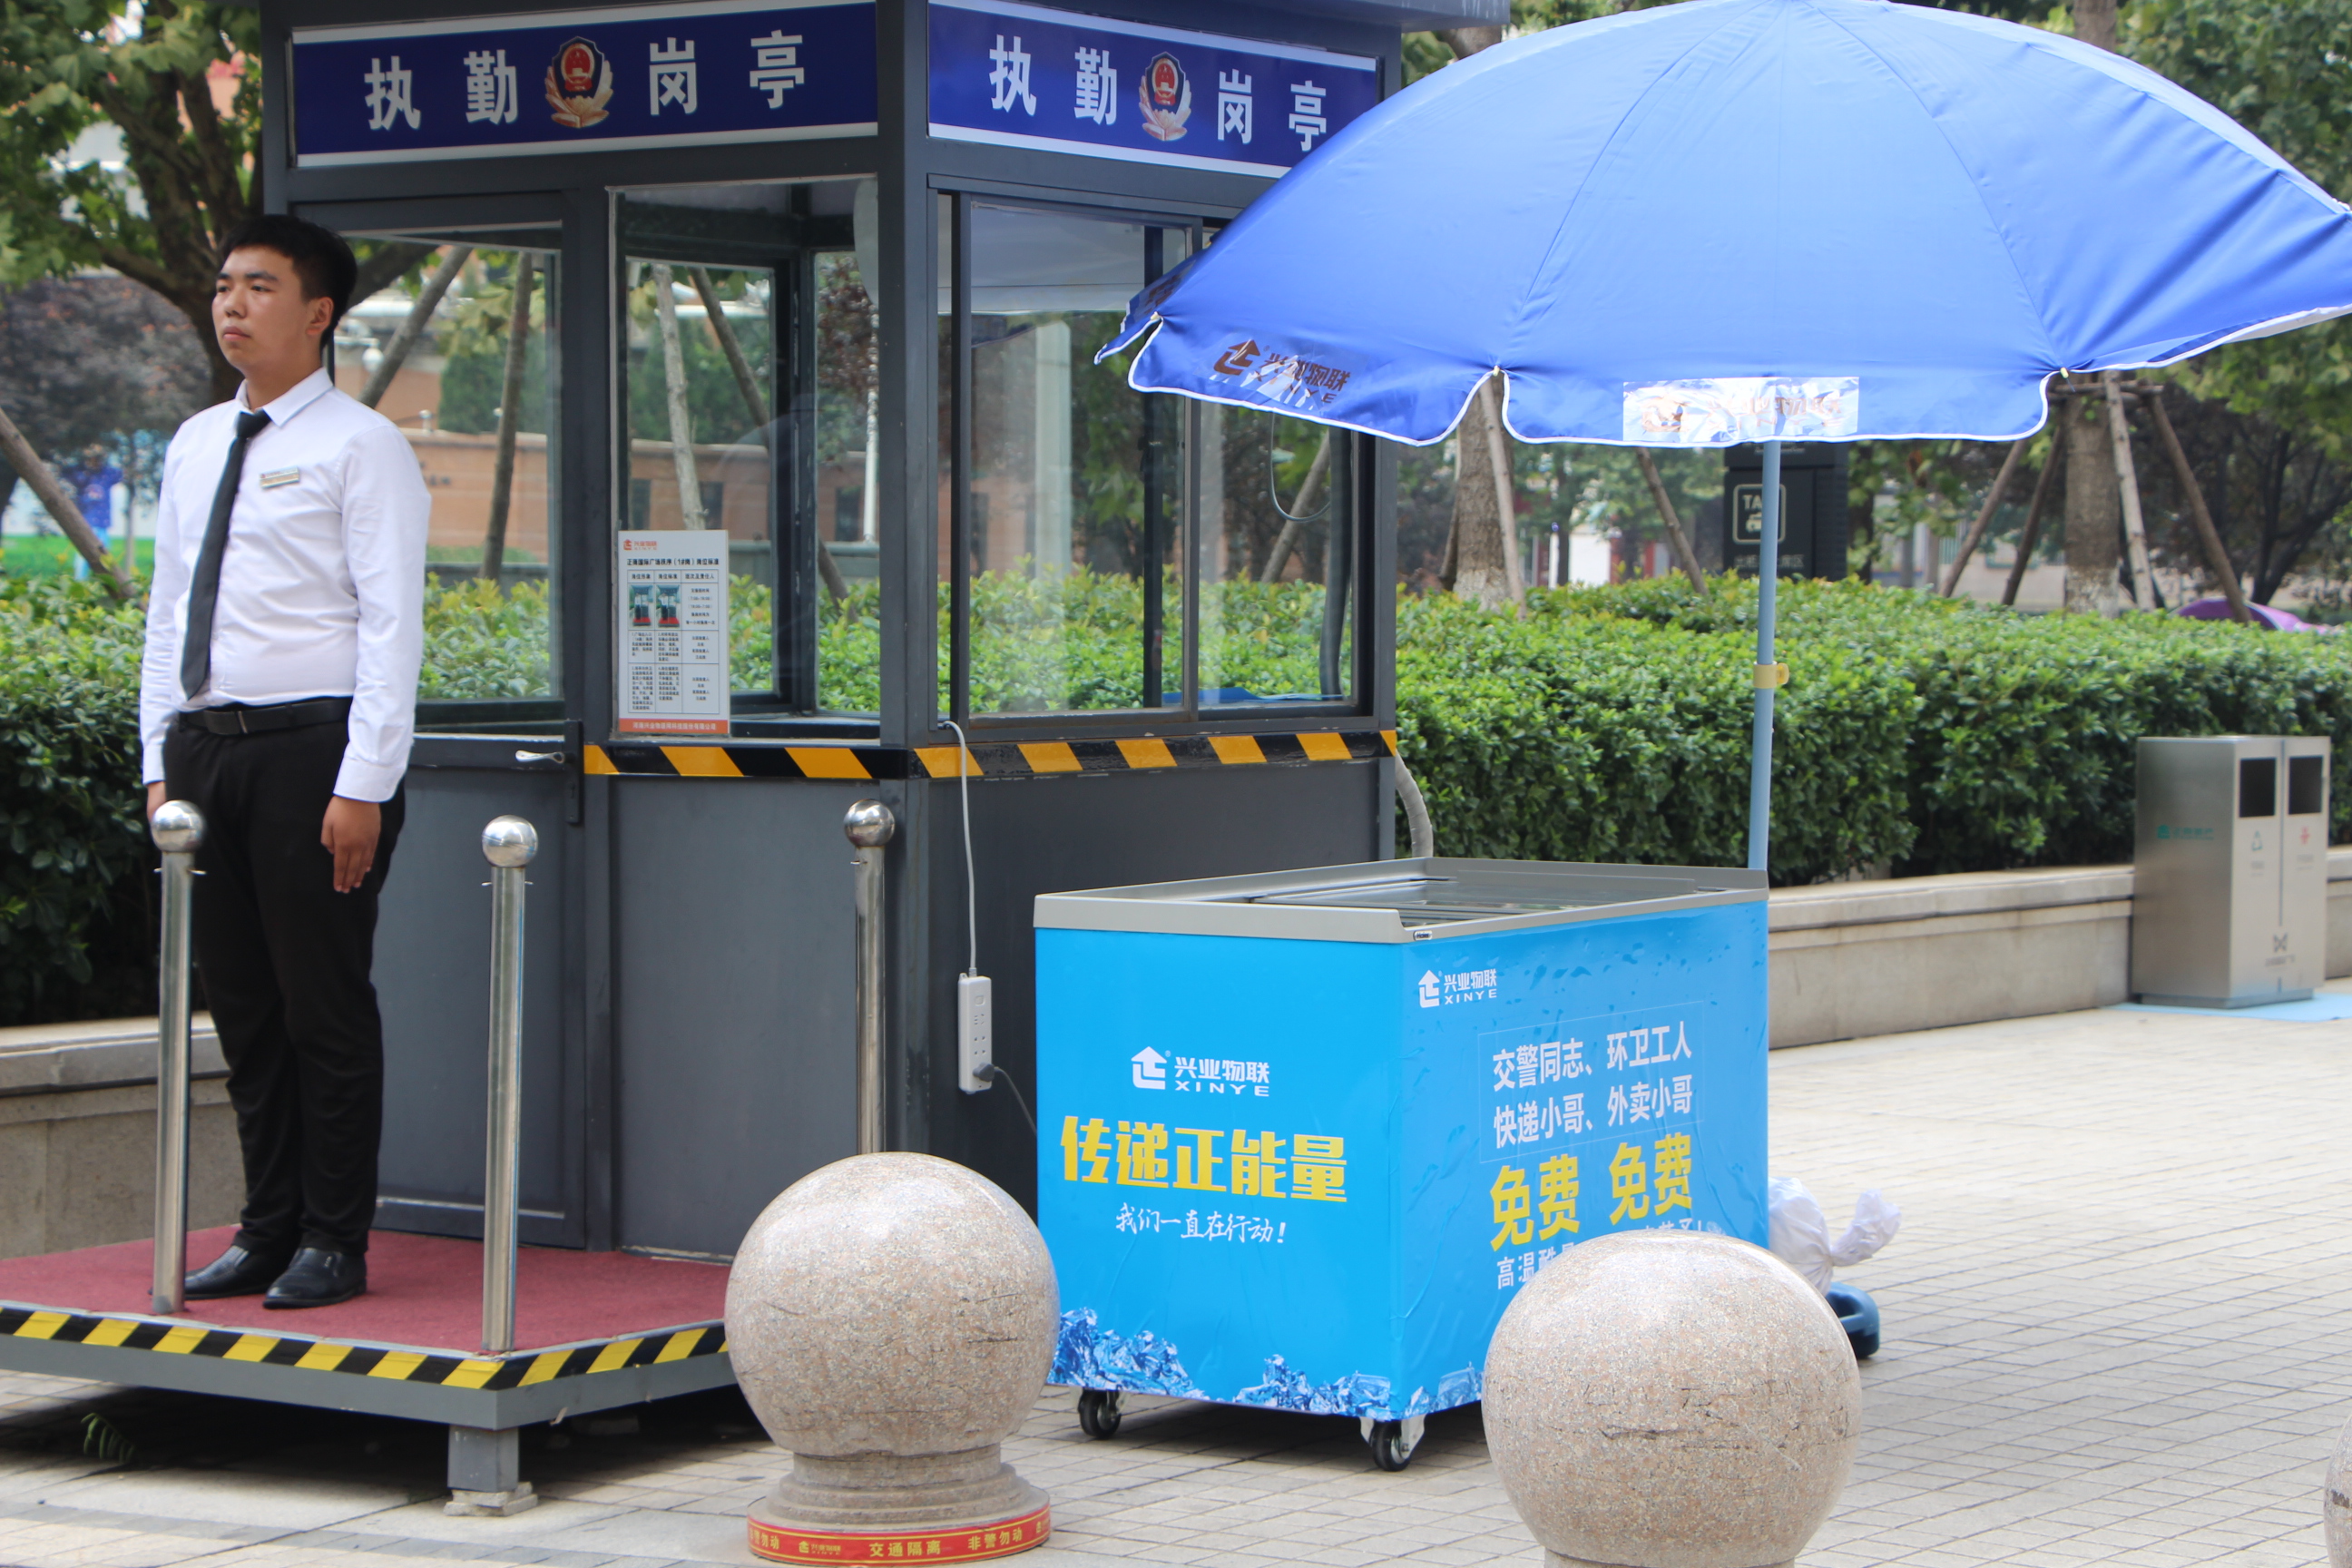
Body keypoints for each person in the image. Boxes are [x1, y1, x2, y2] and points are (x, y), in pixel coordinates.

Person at [139, 215, 428, 1309]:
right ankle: (265, 1228)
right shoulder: (195, 441)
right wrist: (158, 762)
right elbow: (170, 613)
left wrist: (365, 783)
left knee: (323, 1004)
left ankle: (333, 1238)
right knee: (245, 1008)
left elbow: (392, 626)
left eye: (259, 286)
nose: (232, 304)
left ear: (318, 314)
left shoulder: (363, 445)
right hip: (206, 753)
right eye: (225, 285)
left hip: (315, 753)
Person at [62, 444, 122, 580]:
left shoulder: (106, 475)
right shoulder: (81, 475)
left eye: (97, 458)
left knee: (104, 558)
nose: (95, 462)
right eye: (91, 458)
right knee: (83, 559)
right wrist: (83, 463)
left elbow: (119, 474)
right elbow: (66, 472)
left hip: (102, 523)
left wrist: (102, 456)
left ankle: (103, 583)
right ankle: (80, 582)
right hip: (86, 522)